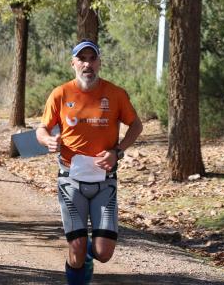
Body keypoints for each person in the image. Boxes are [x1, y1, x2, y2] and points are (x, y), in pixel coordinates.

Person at [36, 39, 143, 285]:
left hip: (105, 182)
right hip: (70, 181)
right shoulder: (60, 94)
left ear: (99, 63)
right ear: (73, 63)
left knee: (104, 252)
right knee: (76, 249)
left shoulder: (115, 94)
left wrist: (118, 151)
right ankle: (79, 260)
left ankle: (86, 254)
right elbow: (42, 129)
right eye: (82, 59)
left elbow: (136, 125)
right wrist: (48, 141)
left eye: (92, 59)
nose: (88, 64)